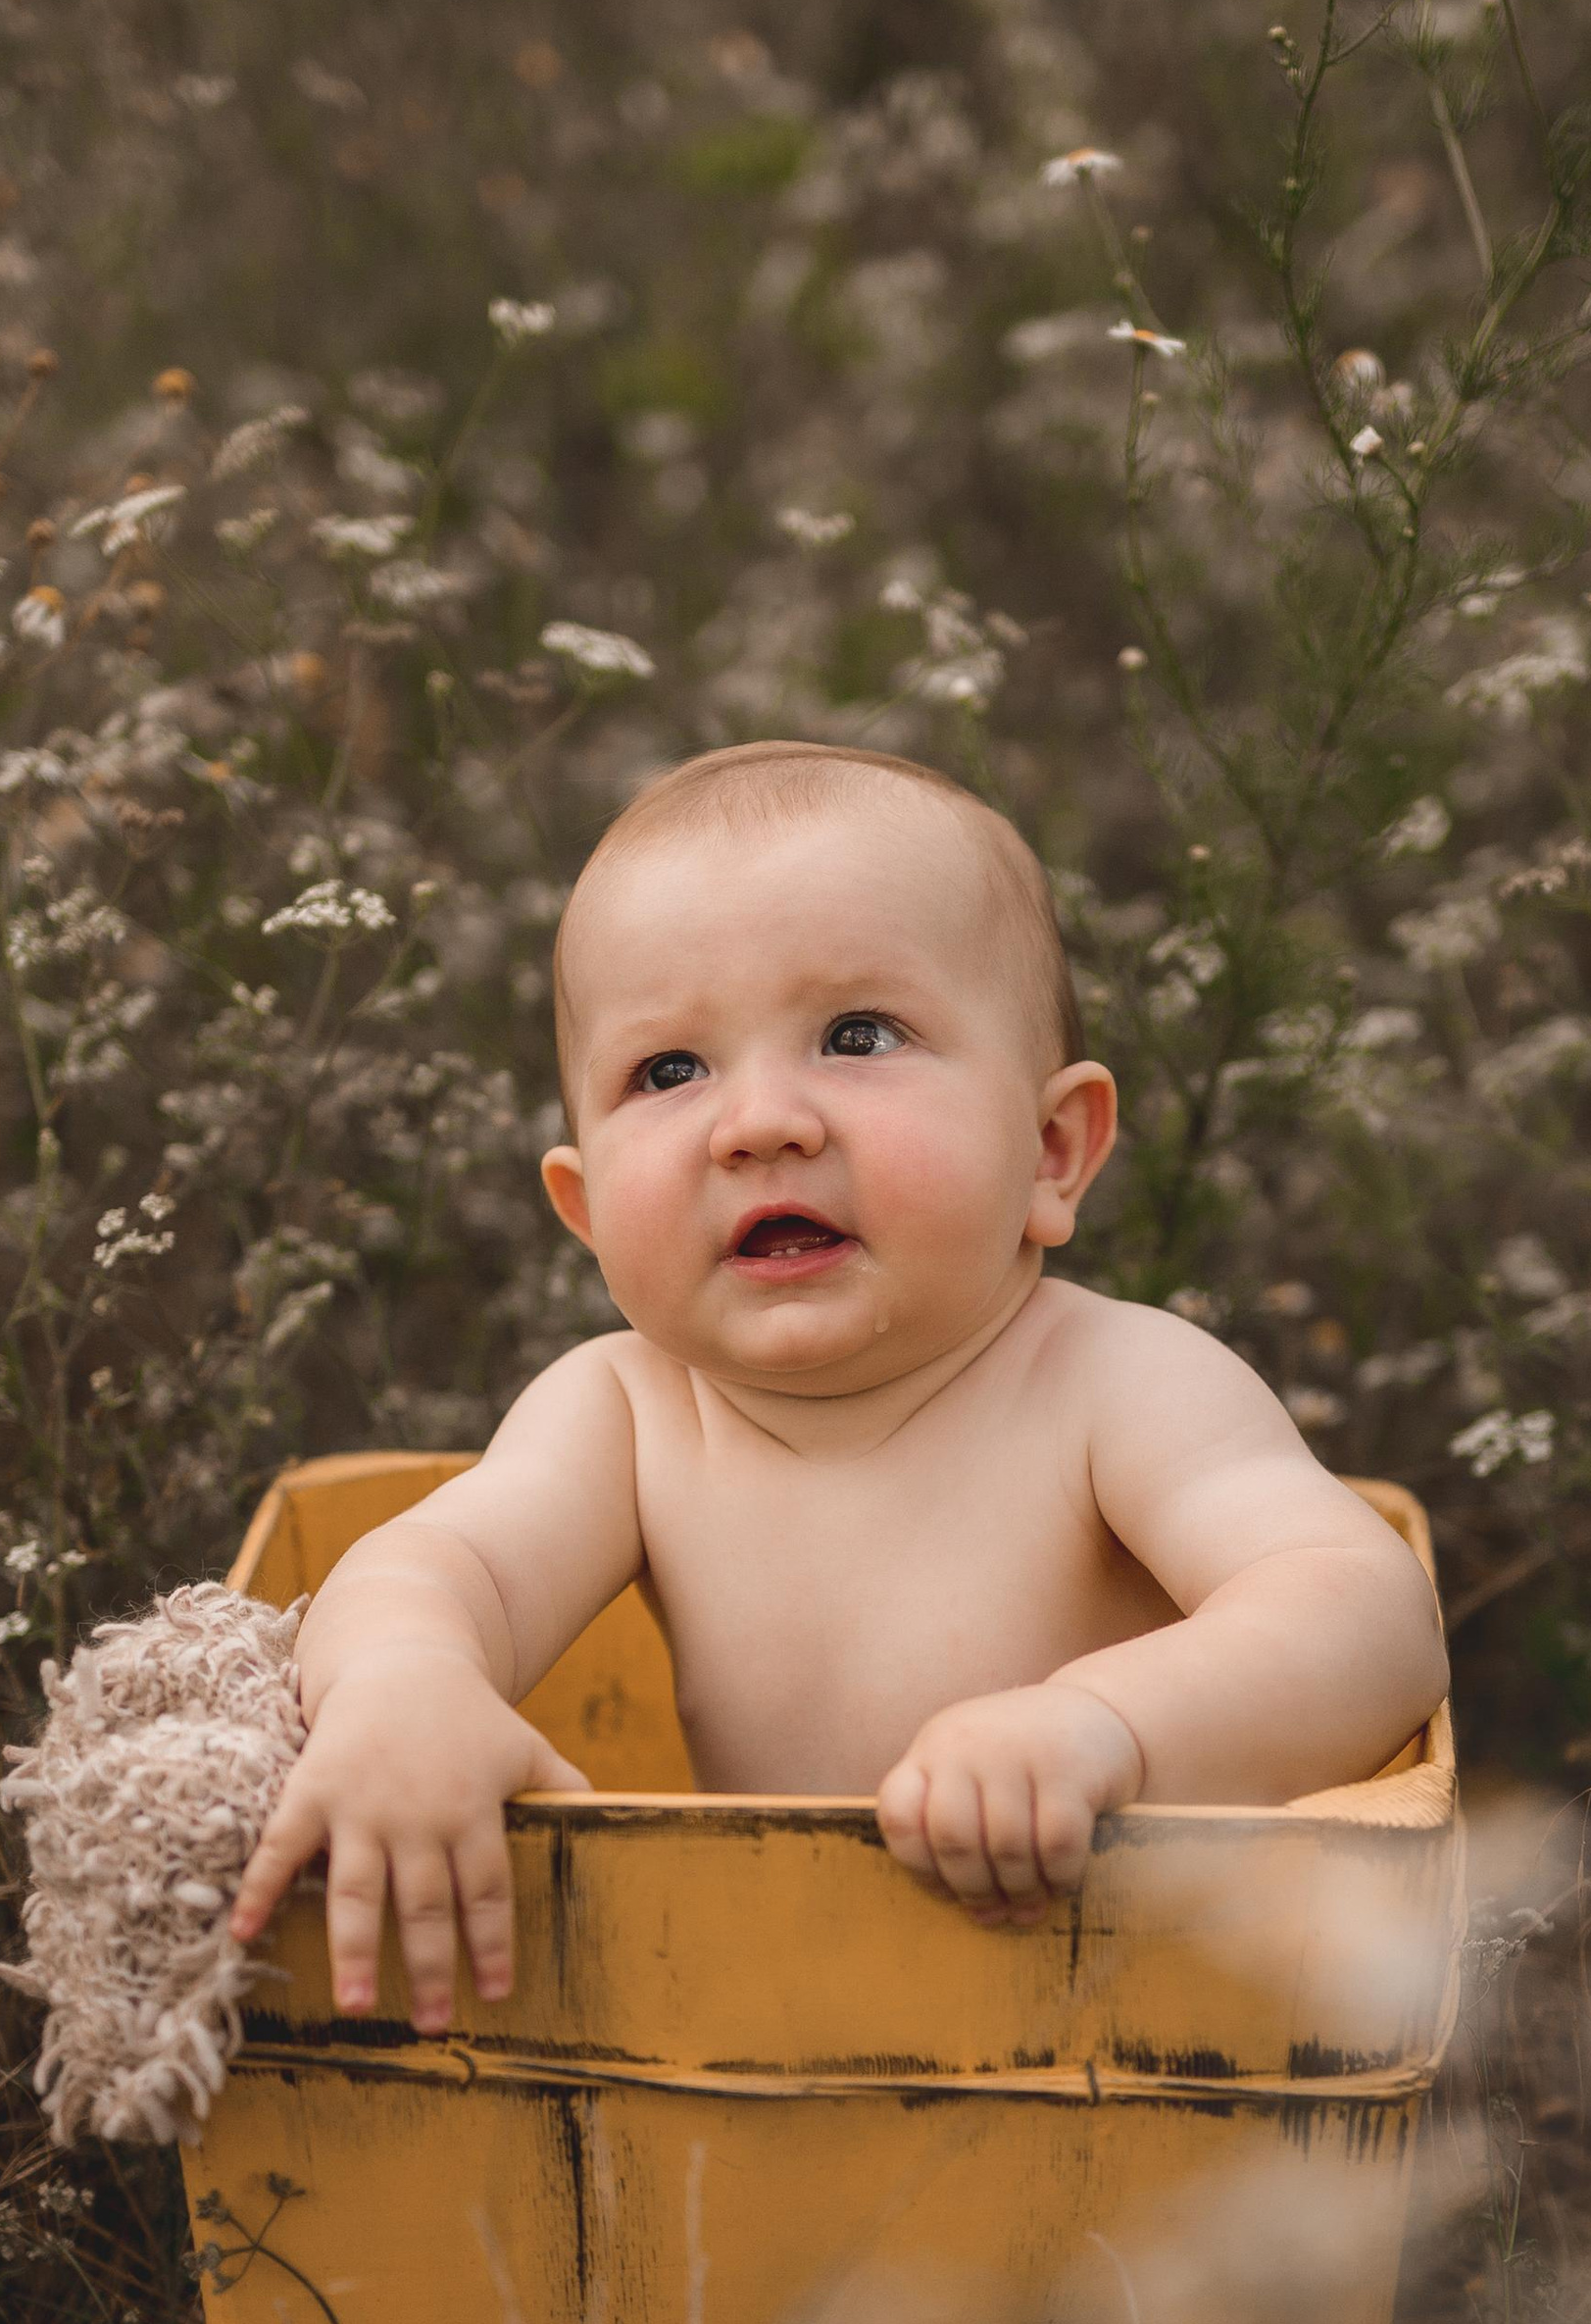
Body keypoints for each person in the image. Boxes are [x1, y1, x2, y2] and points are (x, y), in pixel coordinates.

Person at [228, 741, 1448, 2032]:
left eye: (856, 1035)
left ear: (1051, 1151)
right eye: (668, 1070)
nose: (760, 1121)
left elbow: (1369, 1614)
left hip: (1128, 2025)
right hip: (773, 2027)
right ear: (584, 1215)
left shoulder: (1117, 1384)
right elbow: (434, 1566)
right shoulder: (626, 1413)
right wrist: (406, 1682)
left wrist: (1103, 1727)